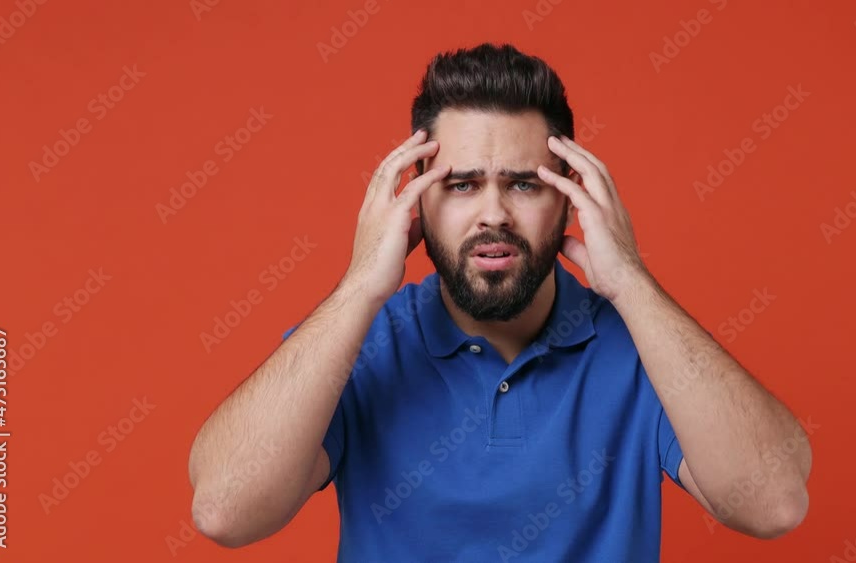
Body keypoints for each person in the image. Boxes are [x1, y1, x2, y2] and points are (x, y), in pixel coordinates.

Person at [187, 42, 812, 562]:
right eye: (461, 185)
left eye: (523, 184)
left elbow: (774, 503)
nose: (493, 214)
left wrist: (633, 283)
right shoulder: (360, 344)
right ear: (414, 205)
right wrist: (358, 285)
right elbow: (224, 511)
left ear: (571, 201)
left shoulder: (643, 347)